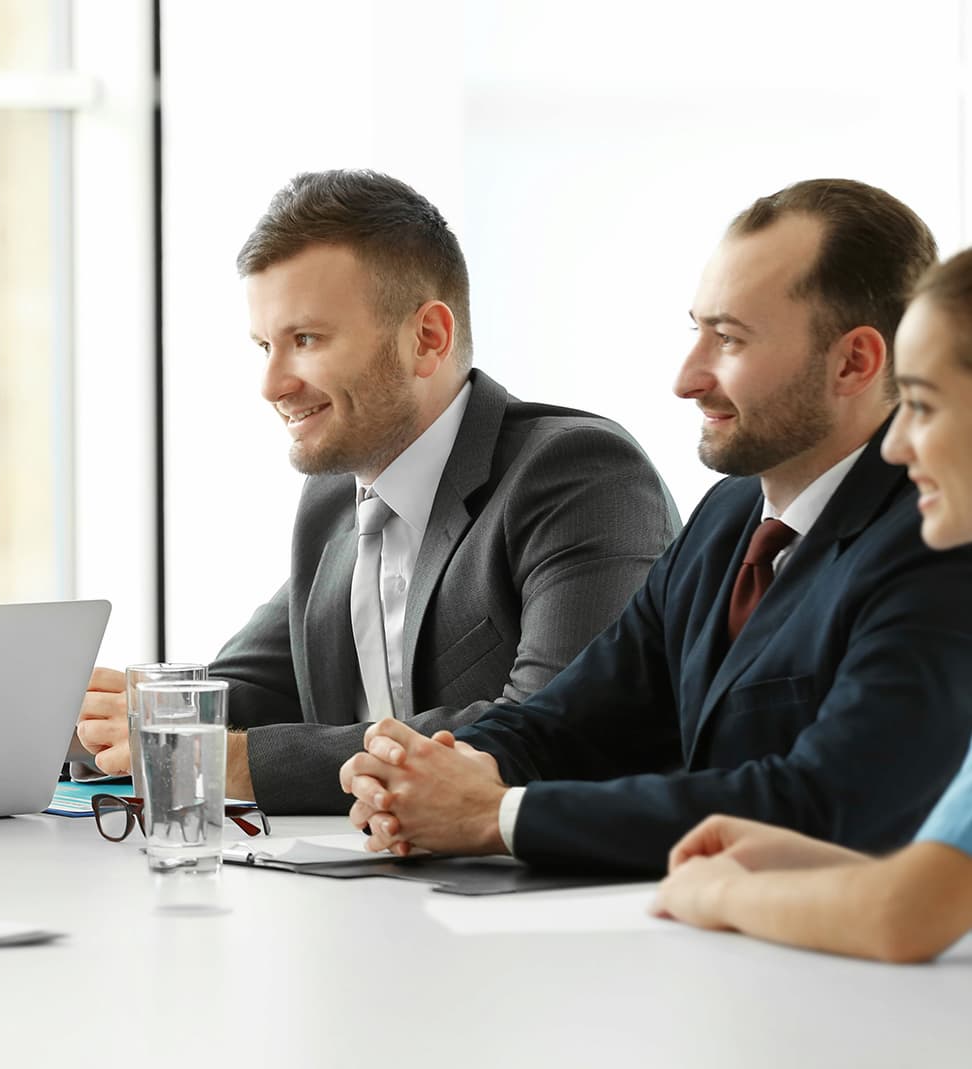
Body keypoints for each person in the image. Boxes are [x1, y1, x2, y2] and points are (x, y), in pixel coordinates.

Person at [341, 178, 972, 875]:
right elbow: (577, 717)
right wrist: (435, 769)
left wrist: (496, 815)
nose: (687, 377)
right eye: (695, 329)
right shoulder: (728, 516)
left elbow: (828, 799)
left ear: (853, 362)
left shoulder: (939, 539)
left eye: (728, 338)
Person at [75, 170, 676, 813]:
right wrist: (110, 720)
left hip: (532, 894)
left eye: (306, 340)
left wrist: (233, 763)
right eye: (263, 345)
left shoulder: (578, 475)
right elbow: (253, 689)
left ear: (427, 339)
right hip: (368, 884)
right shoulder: (337, 497)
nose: (272, 384)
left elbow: (559, 727)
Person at [652, 246, 972, 962]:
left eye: (920, 402)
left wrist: (718, 894)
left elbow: (906, 916)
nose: (894, 445)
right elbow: (947, 884)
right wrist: (795, 856)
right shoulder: (721, 519)